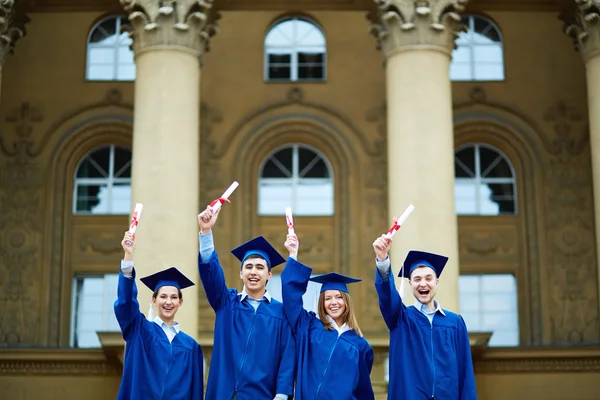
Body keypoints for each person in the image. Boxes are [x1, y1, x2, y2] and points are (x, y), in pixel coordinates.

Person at [197, 206, 295, 400]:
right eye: (248, 267)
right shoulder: (226, 303)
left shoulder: (280, 313)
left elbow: (287, 356)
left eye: (260, 267)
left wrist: (282, 394)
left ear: (269, 275)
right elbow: (211, 275)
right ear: (241, 273)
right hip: (222, 394)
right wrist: (206, 232)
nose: (253, 272)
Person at [372, 233, 477, 400]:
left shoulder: (455, 323)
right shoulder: (401, 319)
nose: (423, 283)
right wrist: (382, 258)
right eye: (417, 279)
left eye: (429, 278)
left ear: (437, 282)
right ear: (410, 284)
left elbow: (465, 374)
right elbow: (386, 295)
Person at [281, 233, 375, 400]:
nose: (334, 302)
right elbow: (291, 298)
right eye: (328, 298)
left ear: (346, 301)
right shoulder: (309, 327)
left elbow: (363, 391)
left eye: (339, 297)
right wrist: (293, 256)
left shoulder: (361, 347)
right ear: (322, 303)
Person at [114, 231, 204, 400]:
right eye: (163, 296)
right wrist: (128, 256)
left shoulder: (191, 347)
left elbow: (196, 394)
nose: (168, 302)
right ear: (154, 300)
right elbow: (126, 303)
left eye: (173, 297)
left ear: (180, 302)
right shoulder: (139, 330)